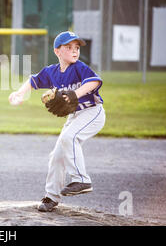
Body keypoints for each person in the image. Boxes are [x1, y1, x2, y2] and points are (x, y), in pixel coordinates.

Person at [8, 31, 106, 212]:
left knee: (69, 137)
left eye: (76, 47)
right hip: (76, 116)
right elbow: (32, 80)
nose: (74, 51)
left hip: (93, 113)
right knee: (57, 155)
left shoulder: (80, 68)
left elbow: (95, 82)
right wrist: (20, 93)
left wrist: (74, 94)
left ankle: (82, 179)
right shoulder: (51, 72)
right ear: (57, 52)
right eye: (68, 47)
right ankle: (51, 197)